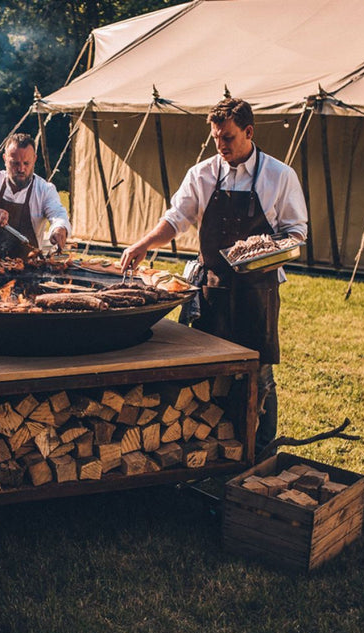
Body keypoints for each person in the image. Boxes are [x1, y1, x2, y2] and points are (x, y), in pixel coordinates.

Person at [120, 98, 307, 457]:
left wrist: (264, 255)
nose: (221, 145)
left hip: (258, 290)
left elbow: (296, 232)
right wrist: (144, 243)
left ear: (249, 132)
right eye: (216, 137)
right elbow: (176, 219)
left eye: (228, 138)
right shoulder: (203, 173)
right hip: (211, 289)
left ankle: (260, 453)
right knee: (202, 373)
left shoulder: (280, 176)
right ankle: (203, 449)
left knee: (259, 375)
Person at [0, 133, 70, 259]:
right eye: (15, 163)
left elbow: (58, 214)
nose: (21, 169)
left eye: (26, 163)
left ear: (34, 159)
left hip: (28, 270)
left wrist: (59, 228)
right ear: (5, 159)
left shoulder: (45, 190)